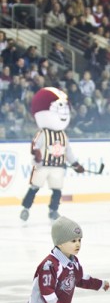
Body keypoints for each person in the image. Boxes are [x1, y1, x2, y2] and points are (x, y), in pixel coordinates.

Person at [20, 87, 85, 222]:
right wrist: (37, 154)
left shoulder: (63, 135)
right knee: (35, 187)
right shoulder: (43, 133)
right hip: (43, 165)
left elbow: (68, 152)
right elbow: (35, 145)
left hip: (57, 166)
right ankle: (26, 208)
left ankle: (53, 210)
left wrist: (75, 164)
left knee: (57, 190)